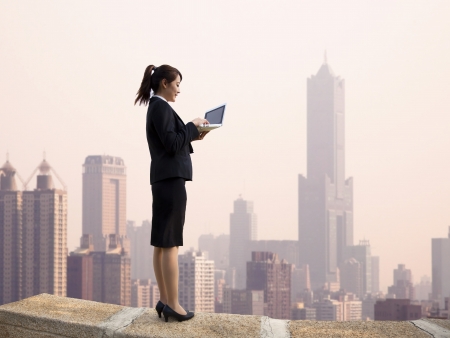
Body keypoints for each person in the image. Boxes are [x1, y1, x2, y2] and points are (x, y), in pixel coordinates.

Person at [135, 64, 209, 322]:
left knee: (161, 241)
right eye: (177, 84)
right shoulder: (161, 107)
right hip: (170, 180)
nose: (179, 90)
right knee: (171, 243)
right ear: (165, 83)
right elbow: (172, 143)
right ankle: (173, 305)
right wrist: (192, 125)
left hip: (163, 179)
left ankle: (165, 301)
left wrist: (191, 135)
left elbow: (173, 142)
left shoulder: (156, 107)